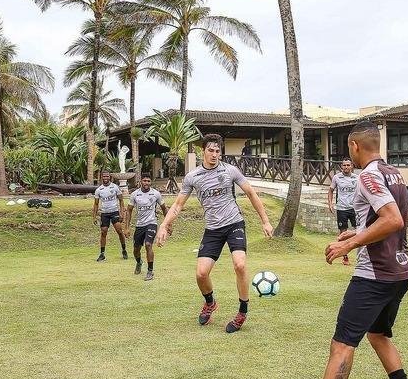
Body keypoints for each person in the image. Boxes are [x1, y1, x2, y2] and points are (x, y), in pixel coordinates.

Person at [271, 122, 408, 379]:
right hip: (401, 270)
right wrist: (354, 234)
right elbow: (400, 220)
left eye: (348, 149)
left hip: (374, 276)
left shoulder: (367, 176)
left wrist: (351, 244)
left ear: (355, 146)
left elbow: (393, 220)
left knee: (342, 345)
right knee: (379, 335)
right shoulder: (394, 174)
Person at [156, 133, 274, 333]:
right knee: (201, 274)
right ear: (203, 151)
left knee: (240, 264)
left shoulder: (230, 171)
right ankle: (210, 303)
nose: (214, 154)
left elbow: (251, 193)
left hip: (234, 223)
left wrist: (266, 221)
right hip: (212, 229)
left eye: (218, 151)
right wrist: (164, 226)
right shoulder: (192, 177)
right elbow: (177, 205)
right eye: (210, 150)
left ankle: (242, 312)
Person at [125, 174, 167, 280]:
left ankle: (150, 271)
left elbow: (164, 208)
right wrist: (127, 227)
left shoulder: (155, 194)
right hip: (139, 225)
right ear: (140, 182)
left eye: (148, 181)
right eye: (144, 181)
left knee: (148, 244)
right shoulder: (135, 194)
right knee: (136, 249)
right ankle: (139, 262)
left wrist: (167, 224)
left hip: (151, 223)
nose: (146, 183)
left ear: (150, 182)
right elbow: (129, 211)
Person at [327, 158, 359, 266]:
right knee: (342, 234)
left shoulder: (357, 178)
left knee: (360, 231)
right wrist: (330, 204)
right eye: (344, 165)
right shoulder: (337, 178)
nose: (346, 167)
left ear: (352, 166)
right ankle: (345, 257)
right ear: (341, 167)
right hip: (341, 209)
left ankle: (362, 256)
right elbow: (330, 190)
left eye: (348, 165)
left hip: (354, 209)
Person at [93, 171, 127, 262]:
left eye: (107, 176)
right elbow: (96, 204)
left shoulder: (115, 187)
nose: (105, 178)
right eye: (104, 176)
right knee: (103, 232)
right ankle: (102, 254)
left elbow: (121, 200)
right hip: (105, 213)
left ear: (109, 177)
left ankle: (124, 250)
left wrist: (122, 213)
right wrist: (94, 216)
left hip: (114, 212)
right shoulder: (99, 190)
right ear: (101, 177)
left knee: (119, 231)